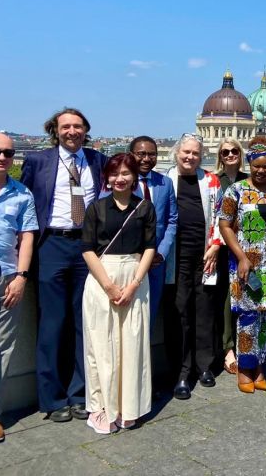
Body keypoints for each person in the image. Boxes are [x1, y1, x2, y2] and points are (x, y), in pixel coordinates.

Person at [20, 108, 107, 423]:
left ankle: (81, 394)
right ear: (55, 131)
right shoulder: (38, 161)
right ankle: (53, 399)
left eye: (78, 126)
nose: (72, 131)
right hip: (52, 245)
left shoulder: (98, 161)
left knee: (85, 323)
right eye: (65, 126)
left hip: (87, 247)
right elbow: (25, 206)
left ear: (85, 130)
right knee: (52, 325)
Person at [80, 153, 156, 433]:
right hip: (103, 277)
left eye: (125, 173)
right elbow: (87, 248)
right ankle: (102, 408)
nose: (120, 178)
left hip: (135, 276)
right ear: (107, 178)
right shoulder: (96, 208)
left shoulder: (145, 208)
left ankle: (128, 407)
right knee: (101, 345)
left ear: (134, 176)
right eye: (114, 174)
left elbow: (150, 246)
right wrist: (110, 287)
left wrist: (134, 283)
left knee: (132, 344)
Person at [218, 137, 266, 393]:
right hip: (246, 265)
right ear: (249, 163)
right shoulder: (235, 191)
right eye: (257, 166)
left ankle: (259, 365)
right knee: (248, 316)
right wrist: (240, 256)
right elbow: (224, 225)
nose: (261, 171)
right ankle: (244, 367)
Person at [164, 133, 222, 400]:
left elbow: (222, 216)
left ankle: (205, 366)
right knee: (180, 311)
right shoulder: (165, 180)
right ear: (177, 153)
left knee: (204, 309)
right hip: (175, 256)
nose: (190, 157)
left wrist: (215, 246)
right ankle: (181, 371)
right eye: (186, 152)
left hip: (206, 254)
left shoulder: (211, 180)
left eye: (195, 154)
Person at [0, 133, 38, 443]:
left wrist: (21, 277)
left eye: (8, 153)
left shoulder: (22, 193)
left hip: (6, 278)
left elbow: (26, 238)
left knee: (2, 348)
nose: (2, 157)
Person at [127, 136, 177, 332]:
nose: (146, 159)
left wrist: (162, 252)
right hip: (129, 259)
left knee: (150, 315)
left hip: (156, 261)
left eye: (151, 154)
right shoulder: (120, 180)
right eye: (141, 154)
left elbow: (172, 220)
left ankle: (144, 361)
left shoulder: (165, 183)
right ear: (131, 155)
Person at [213, 139, 248, 376]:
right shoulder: (214, 181)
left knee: (246, 296)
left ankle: (246, 346)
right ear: (220, 155)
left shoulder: (251, 179)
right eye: (225, 152)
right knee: (226, 296)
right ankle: (228, 349)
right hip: (222, 248)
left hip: (248, 248)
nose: (230, 155)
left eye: (234, 151)